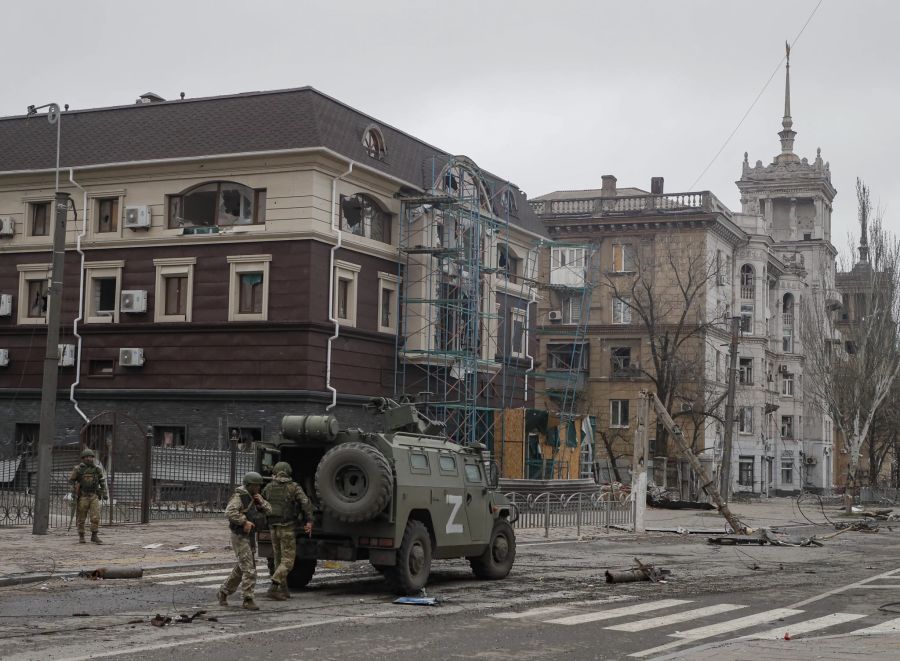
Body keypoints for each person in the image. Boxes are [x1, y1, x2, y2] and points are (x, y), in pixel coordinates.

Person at [217, 471, 272, 611]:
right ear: (250, 485)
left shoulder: (254, 497)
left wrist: (262, 502)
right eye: (256, 485)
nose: (259, 488)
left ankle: (223, 592)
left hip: (250, 537)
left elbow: (270, 511)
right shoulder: (239, 496)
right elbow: (229, 513)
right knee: (249, 569)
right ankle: (248, 599)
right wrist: (244, 522)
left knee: (241, 568)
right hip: (240, 536)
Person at [262, 461, 314, 600]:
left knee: (278, 559)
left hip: (273, 528)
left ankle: (284, 590)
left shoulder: (268, 487)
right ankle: (274, 587)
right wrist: (309, 521)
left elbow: (261, 503)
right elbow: (305, 503)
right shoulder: (293, 487)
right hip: (287, 528)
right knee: (288, 561)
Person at [69, 448, 107, 544]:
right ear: (83, 458)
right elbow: (71, 480)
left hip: (94, 495)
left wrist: (104, 492)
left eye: (91, 457)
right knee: (81, 517)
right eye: (87, 457)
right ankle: (81, 536)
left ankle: (94, 535)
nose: (89, 459)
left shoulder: (97, 468)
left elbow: (102, 481)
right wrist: (74, 491)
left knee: (95, 516)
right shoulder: (78, 469)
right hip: (83, 496)